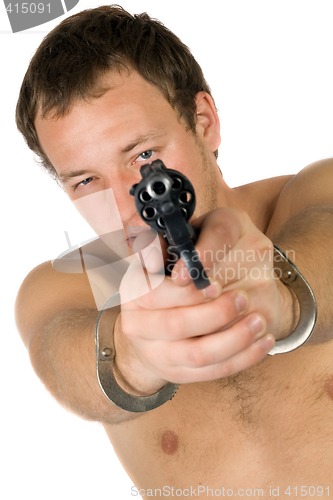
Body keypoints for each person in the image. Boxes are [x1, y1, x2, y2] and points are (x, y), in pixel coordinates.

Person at [15, 4, 333, 497]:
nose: (128, 206)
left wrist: (282, 290)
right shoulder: (71, 284)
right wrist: (130, 356)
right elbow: (64, 358)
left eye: (144, 155)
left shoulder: (314, 191)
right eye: (86, 180)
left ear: (204, 122)